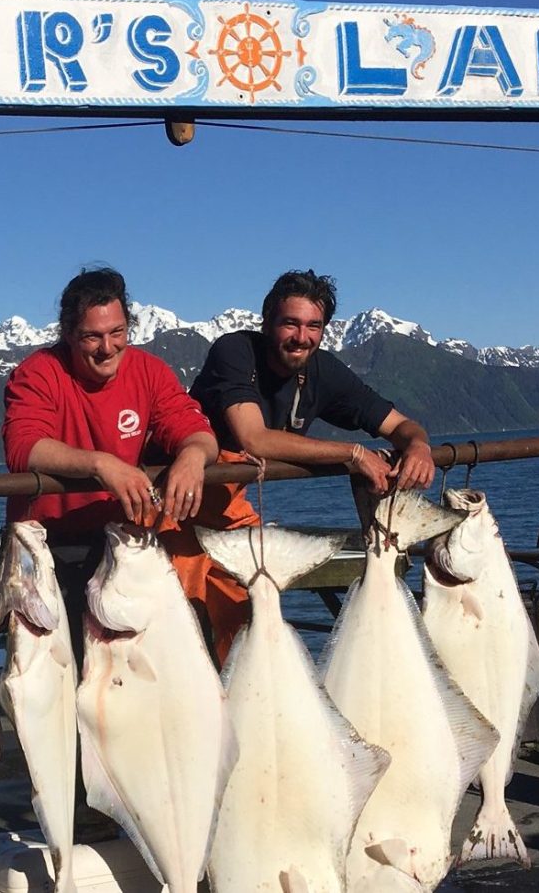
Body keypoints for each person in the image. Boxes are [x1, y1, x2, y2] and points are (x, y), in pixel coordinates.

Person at [173, 268, 435, 662]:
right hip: (174, 504)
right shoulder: (235, 351)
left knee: (250, 619)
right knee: (177, 619)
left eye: (314, 326)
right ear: (267, 323)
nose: (301, 337)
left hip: (229, 508)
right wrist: (354, 453)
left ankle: (240, 709)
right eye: (290, 323)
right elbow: (254, 438)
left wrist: (419, 446)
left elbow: (399, 425)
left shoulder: (323, 371)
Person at [1, 265, 218, 647]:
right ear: (68, 334)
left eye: (117, 333)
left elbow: (196, 431)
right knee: (61, 677)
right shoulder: (37, 373)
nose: (107, 347)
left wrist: (193, 456)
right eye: (92, 337)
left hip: (124, 545)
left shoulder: (149, 371)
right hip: (49, 549)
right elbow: (23, 447)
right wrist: (102, 464)